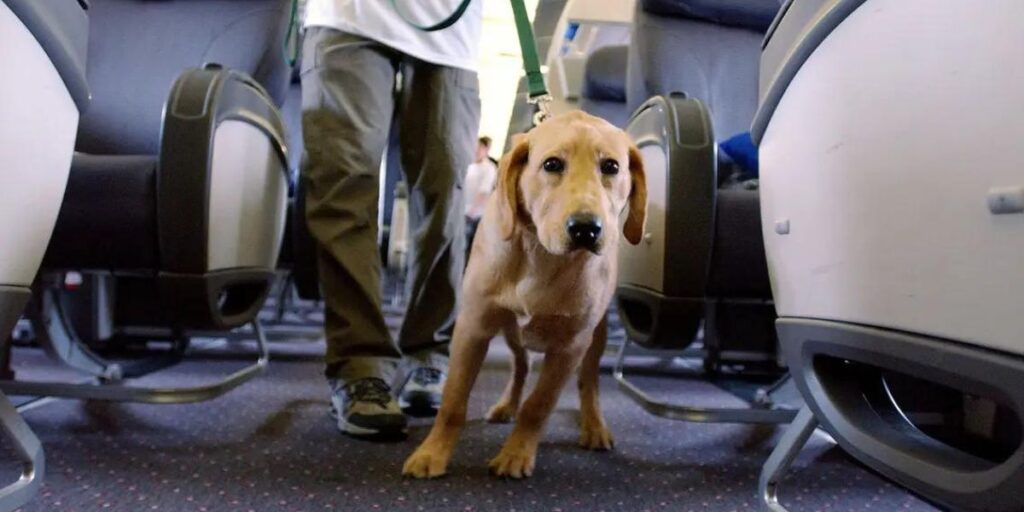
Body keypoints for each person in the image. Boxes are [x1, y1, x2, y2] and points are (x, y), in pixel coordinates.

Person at [300, 0, 482, 437]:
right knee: (343, 188)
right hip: (348, 18)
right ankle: (358, 366)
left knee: (443, 199)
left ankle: (431, 357)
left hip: (449, 34)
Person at [463, 136, 498, 255]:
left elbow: (484, 192)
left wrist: (472, 211)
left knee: (465, 247)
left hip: (474, 215)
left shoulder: (489, 168)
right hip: (462, 211)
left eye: (480, 148)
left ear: (486, 150)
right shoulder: (470, 165)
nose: (476, 150)